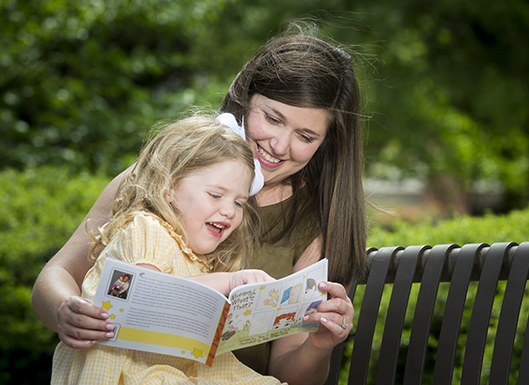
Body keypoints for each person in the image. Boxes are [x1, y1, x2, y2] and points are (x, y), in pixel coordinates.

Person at [32, 21, 368, 385]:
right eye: (272, 118)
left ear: (326, 143)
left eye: (305, 135)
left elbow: (289, 373)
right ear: (245, 98)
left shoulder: (311, 223)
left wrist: (319, 345)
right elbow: (56, 275)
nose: (280, 145)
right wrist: (65, 309)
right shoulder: (162, 174)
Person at [51, 112, 285, 384]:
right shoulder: (148, 230)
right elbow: (147, 302)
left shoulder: (200, 259)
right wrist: (229, 282)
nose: (229, 211)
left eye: (239, 202)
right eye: (216, 195)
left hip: (173, 367)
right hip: (129, 369)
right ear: (169, 189)